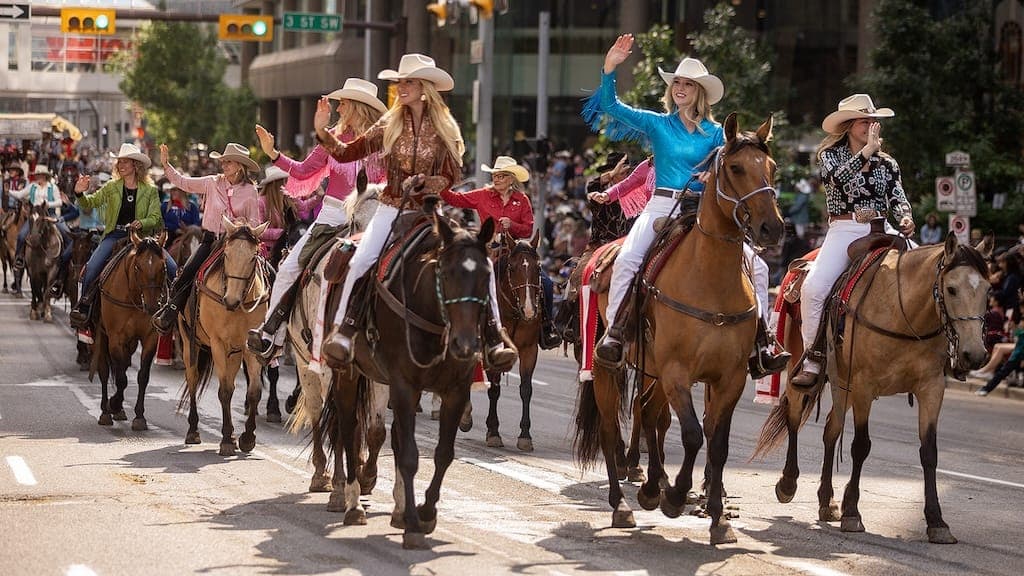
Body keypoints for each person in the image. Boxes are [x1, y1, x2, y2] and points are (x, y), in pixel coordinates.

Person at [314, 53, 517, 371]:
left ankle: (494, 337)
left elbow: (453, 174)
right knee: (361, 259)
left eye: (408, 81)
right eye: (399, 82)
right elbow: (346, 153)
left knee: (480, 264)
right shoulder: (388, 124)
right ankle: (344, 331)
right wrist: (322, 131)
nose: (401, 87)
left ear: (425, 88)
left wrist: (428, 182)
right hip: (390, 208)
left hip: (430, 213)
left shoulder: (444, 128)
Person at [583, 34, 727, 367]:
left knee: (755, 265)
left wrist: (714, 174)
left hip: (704, 210)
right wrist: (609, 69)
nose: (680, 88)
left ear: (699, 92)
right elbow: (610, 107)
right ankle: (615, 333)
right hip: (662, 205)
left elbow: (731, 166)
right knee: (627, 260)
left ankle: (761, 342)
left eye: (688, 84)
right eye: (676, 82)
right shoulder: (658, 123)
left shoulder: (718, 133)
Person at [589, 155, 789, 378]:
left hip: (701, 219)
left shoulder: (709, 160)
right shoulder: (649, 166)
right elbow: (628, 185)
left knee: (760, 268)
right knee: (630, 262)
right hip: (660, 220)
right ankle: (619, 327)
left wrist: (710, 178)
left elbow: (728, 181)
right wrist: (607, 194)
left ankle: (761, 342)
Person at [246, 77, 387, 361]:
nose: (338, 106)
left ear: (358, 106)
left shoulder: (382, 142)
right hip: (331, 215)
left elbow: (392, 181)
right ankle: (272, 334)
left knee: (399, 267)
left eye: (344, 102)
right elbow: (301, 171)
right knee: (288, 269)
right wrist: (272, 153)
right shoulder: (330, 136)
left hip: (371, 216)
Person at [790, 94, 915, 388]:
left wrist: (906, 217)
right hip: (845, 230)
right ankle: (813, 357)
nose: (871, 125)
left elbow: (898, 197)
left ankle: (930, 348)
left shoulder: (888, 163)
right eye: (864, 121)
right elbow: (836, 180)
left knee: (930, 271)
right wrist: (867, 152)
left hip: (883, 228)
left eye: (874, 121)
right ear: (848, 125)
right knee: (814, 287)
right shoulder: (830, 155)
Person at [441, 155, 561, 349]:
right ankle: (479, 324)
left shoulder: (522, 200)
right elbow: (454, 199)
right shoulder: (482, 195)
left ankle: (547, 327)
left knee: (545, 283)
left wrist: (511, 224)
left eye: (502, 176)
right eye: (495, 175)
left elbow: (528, 229)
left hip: (516, 252)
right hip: (491, 251)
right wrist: (442, 183)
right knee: (478, 281)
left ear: (511, 179)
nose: (497, 179)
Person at [151, 142, 262, 333]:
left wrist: (243, 225)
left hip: (236, 244)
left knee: (265, 275)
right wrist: (166, 164)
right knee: (187, 273)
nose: (224, 165)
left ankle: (265, 327)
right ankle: (171, 312)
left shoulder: (250, 191)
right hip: (211, 241)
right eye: (223, 162)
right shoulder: (212, 182)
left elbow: (254, 223)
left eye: (228, 162)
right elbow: (183, 182)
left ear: (239, 166)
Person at [68, 144, 176, 328]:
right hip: (115, 235)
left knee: (173, 269)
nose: (120, 165)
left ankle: (174, 311)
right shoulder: (111, 187)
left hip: (143, 239)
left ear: (136, 165)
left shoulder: (150, 190)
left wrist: (141, 223)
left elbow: (156, 218)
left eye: (125, 161)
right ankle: (83, 308)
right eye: (119, 162)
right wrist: (79, 192)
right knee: (91, 268)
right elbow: (89, 204)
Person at [11, 166, 62, 271]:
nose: (37, 177)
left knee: (64, 231)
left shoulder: (52, 187)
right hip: (35, 216)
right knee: (21, 235)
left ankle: (63, 258)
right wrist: (9, 192)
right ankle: (19, 258)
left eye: (39, 175)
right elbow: (20, 195)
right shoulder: (32, 186)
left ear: (45, 176)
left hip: (49, 215)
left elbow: (59, 202)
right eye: (37, 175)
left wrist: (48, 204)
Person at [975, 303, 1024, 396]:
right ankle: (986, 384)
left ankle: (986, 379)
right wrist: (1014, 328)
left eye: (1022, 308)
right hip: (1018, 350)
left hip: (1019, 351)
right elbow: (1018, 337)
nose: (1021, 310)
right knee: (1003, 371)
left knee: (1003, 372)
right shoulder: (1021, 320)